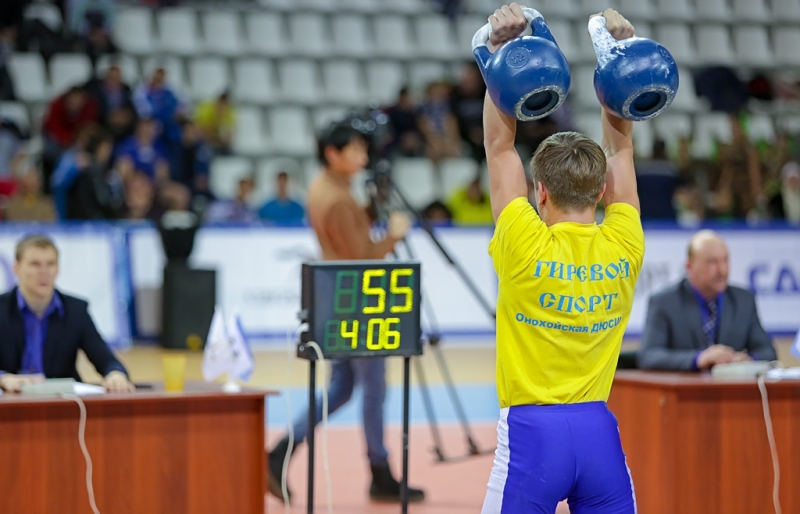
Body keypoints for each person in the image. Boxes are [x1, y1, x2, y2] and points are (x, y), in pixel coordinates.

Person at [480, 6, 644, 513]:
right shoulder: (624, 242)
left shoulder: (525, 243)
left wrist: (504, 55)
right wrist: (620, 64)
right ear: (600, 196)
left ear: (541, 192)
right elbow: (621, 154)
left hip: (532, 437)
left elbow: (498, 146)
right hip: (598, 435)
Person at [267, 120, 424, 503]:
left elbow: (348, 234)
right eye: (354, 150)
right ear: (332, 154)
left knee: (342, 388)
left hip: (339, 299)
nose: (363, 157)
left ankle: (281, 451)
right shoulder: (335, 197)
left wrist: (369, 212)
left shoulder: (327, 188)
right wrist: (394, 235)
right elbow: (361, 256)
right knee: (374, 388)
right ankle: (380, 470)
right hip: (354, 302)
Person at [0, 234, 134, 393]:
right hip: (11, 403)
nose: (44, 272)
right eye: (35, 264)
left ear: (58, 268)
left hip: (62, 404)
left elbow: (106, 359)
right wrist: (3, 378)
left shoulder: (76, 310)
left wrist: (115, 374)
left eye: (50, 264)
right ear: (16, 268)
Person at [638, 230, 777, 371]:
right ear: (689, 266)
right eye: (712, 262)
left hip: (729, 388)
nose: (722, 270)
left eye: (725, 260)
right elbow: (649, 356)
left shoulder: (743, 300)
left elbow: (768, 352)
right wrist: (698, 358)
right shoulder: (664, 302)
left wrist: (748, 360)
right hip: (686, 388)